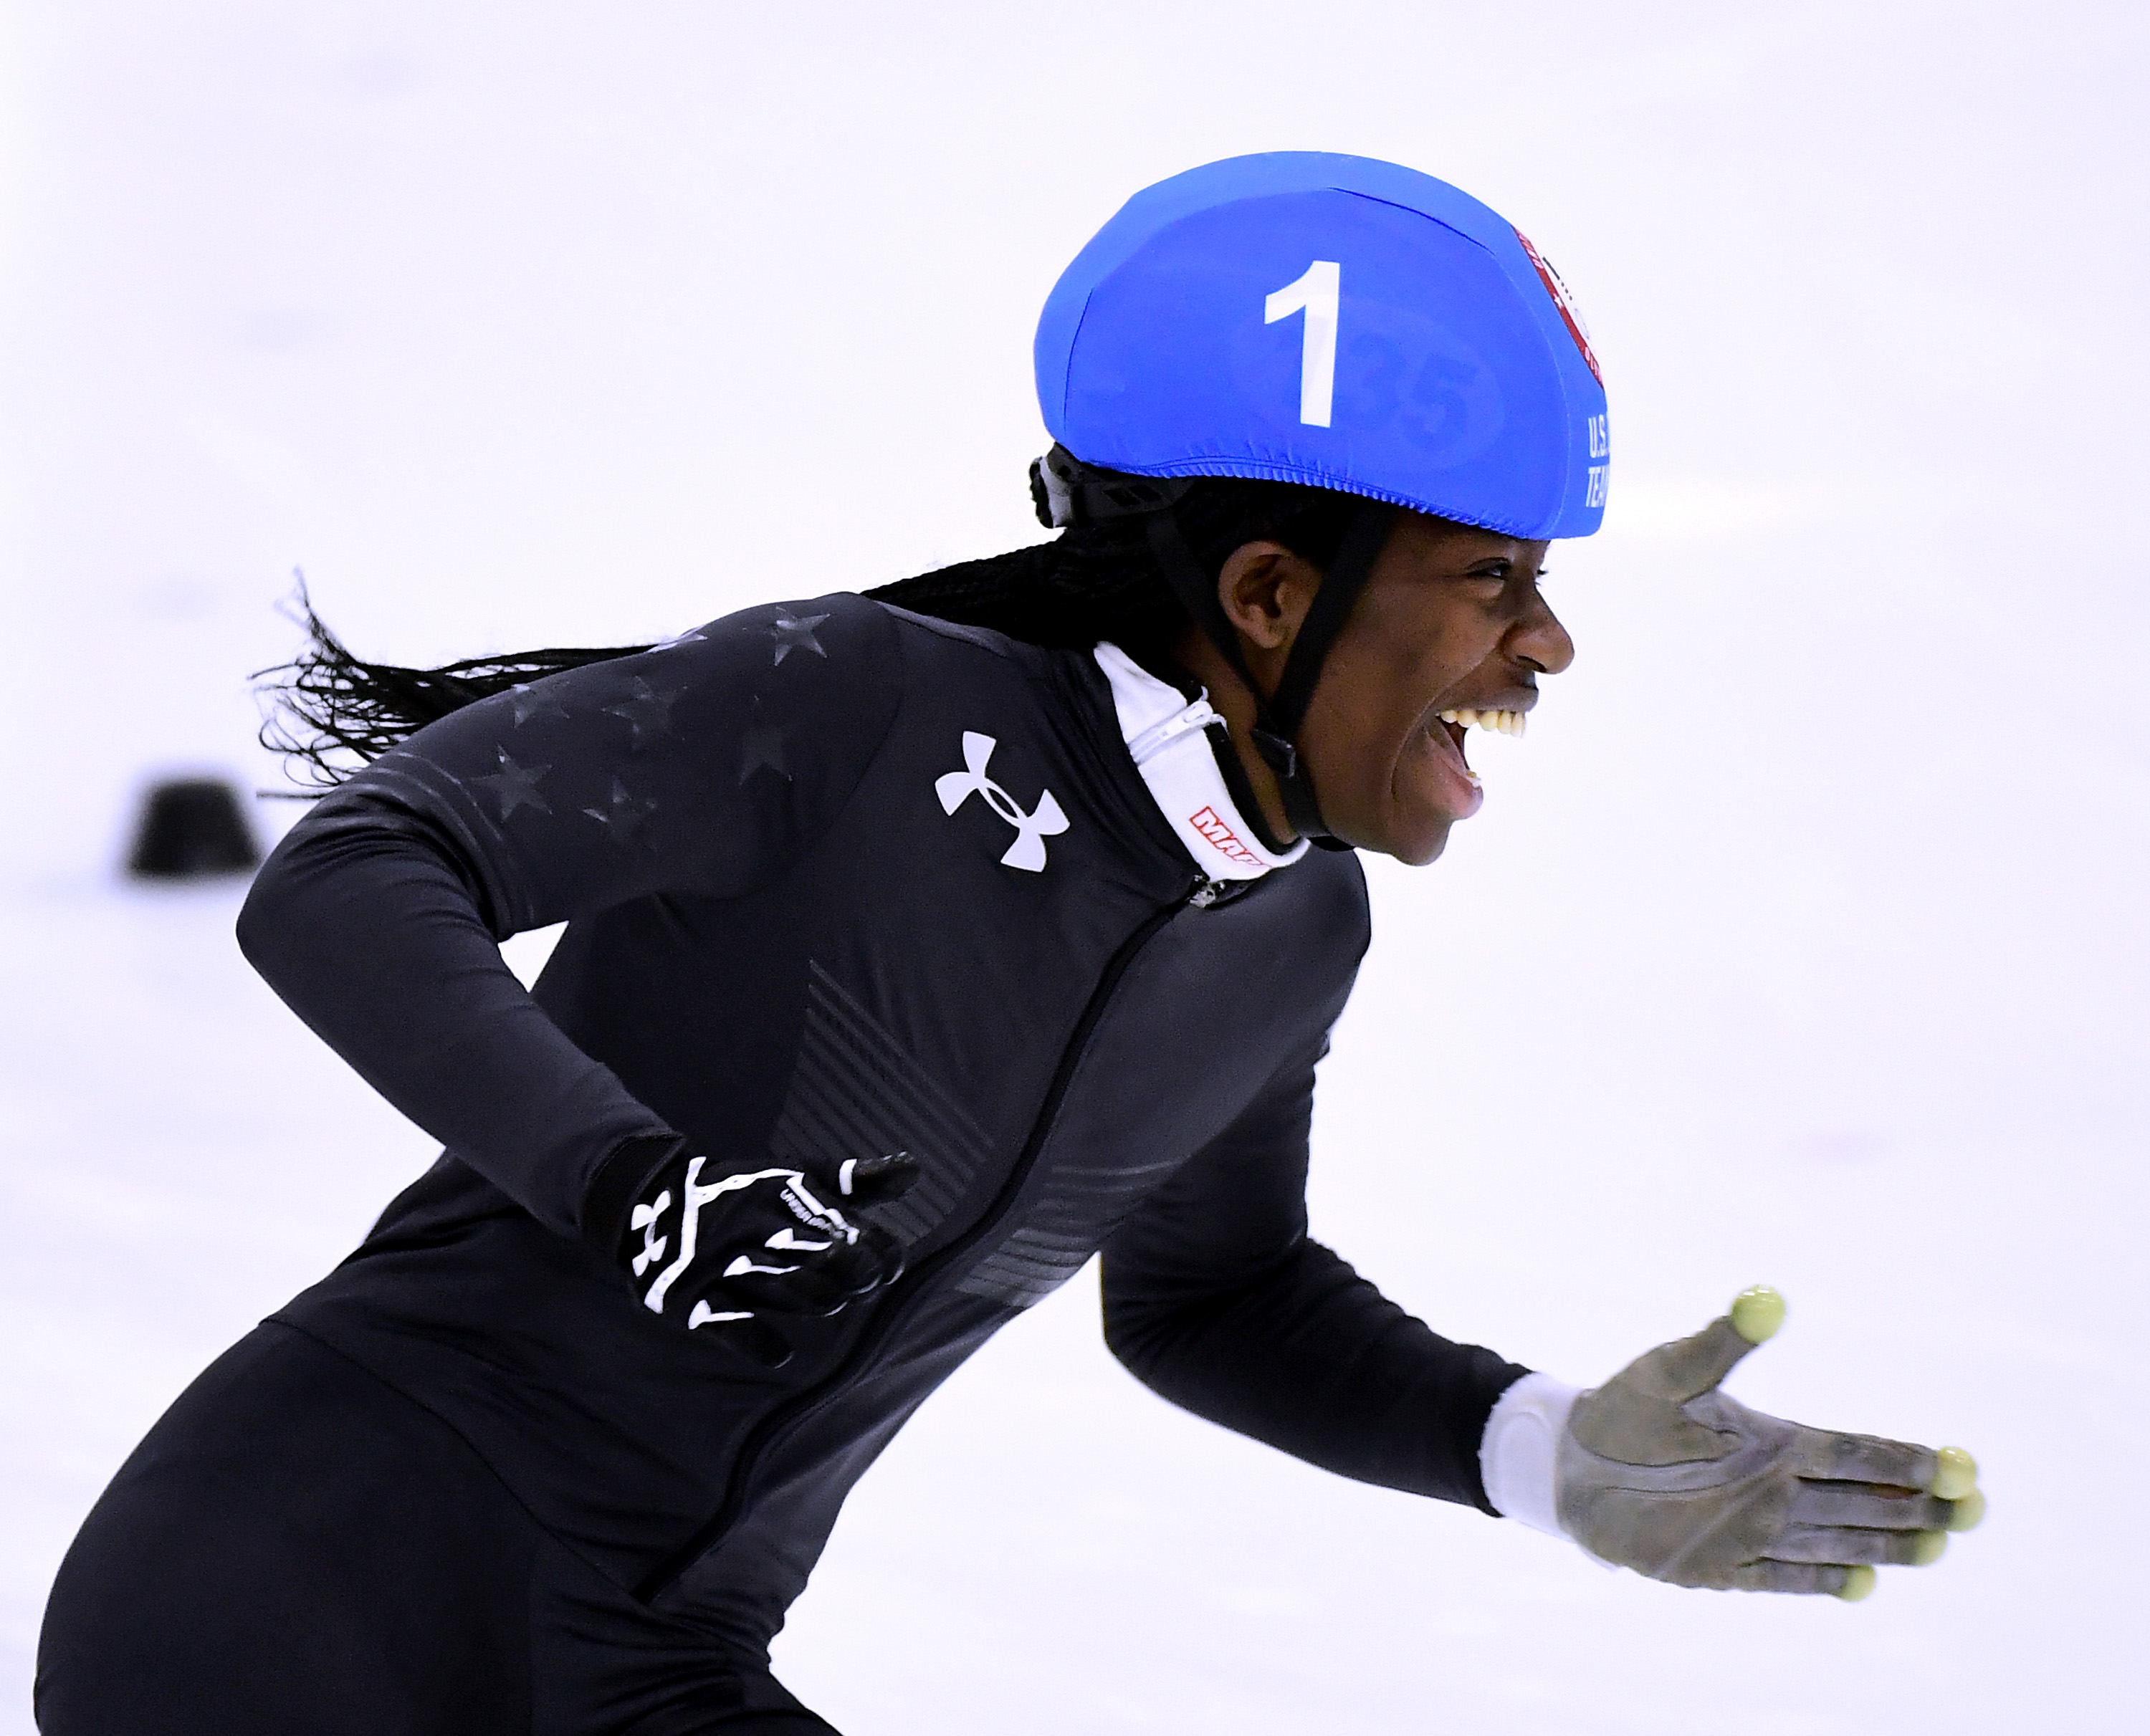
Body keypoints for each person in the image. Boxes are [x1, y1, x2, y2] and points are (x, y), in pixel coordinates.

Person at [35, 152, 1979, 1736]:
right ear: (1272, 590)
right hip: (301, 1601)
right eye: (1492, 581)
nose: (1541, 646)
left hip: (647, 1670)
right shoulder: (856, 702)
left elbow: (1213, 1300)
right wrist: (632, 1183)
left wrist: (1541, 1450)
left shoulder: (1287, 925)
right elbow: (362, 866)